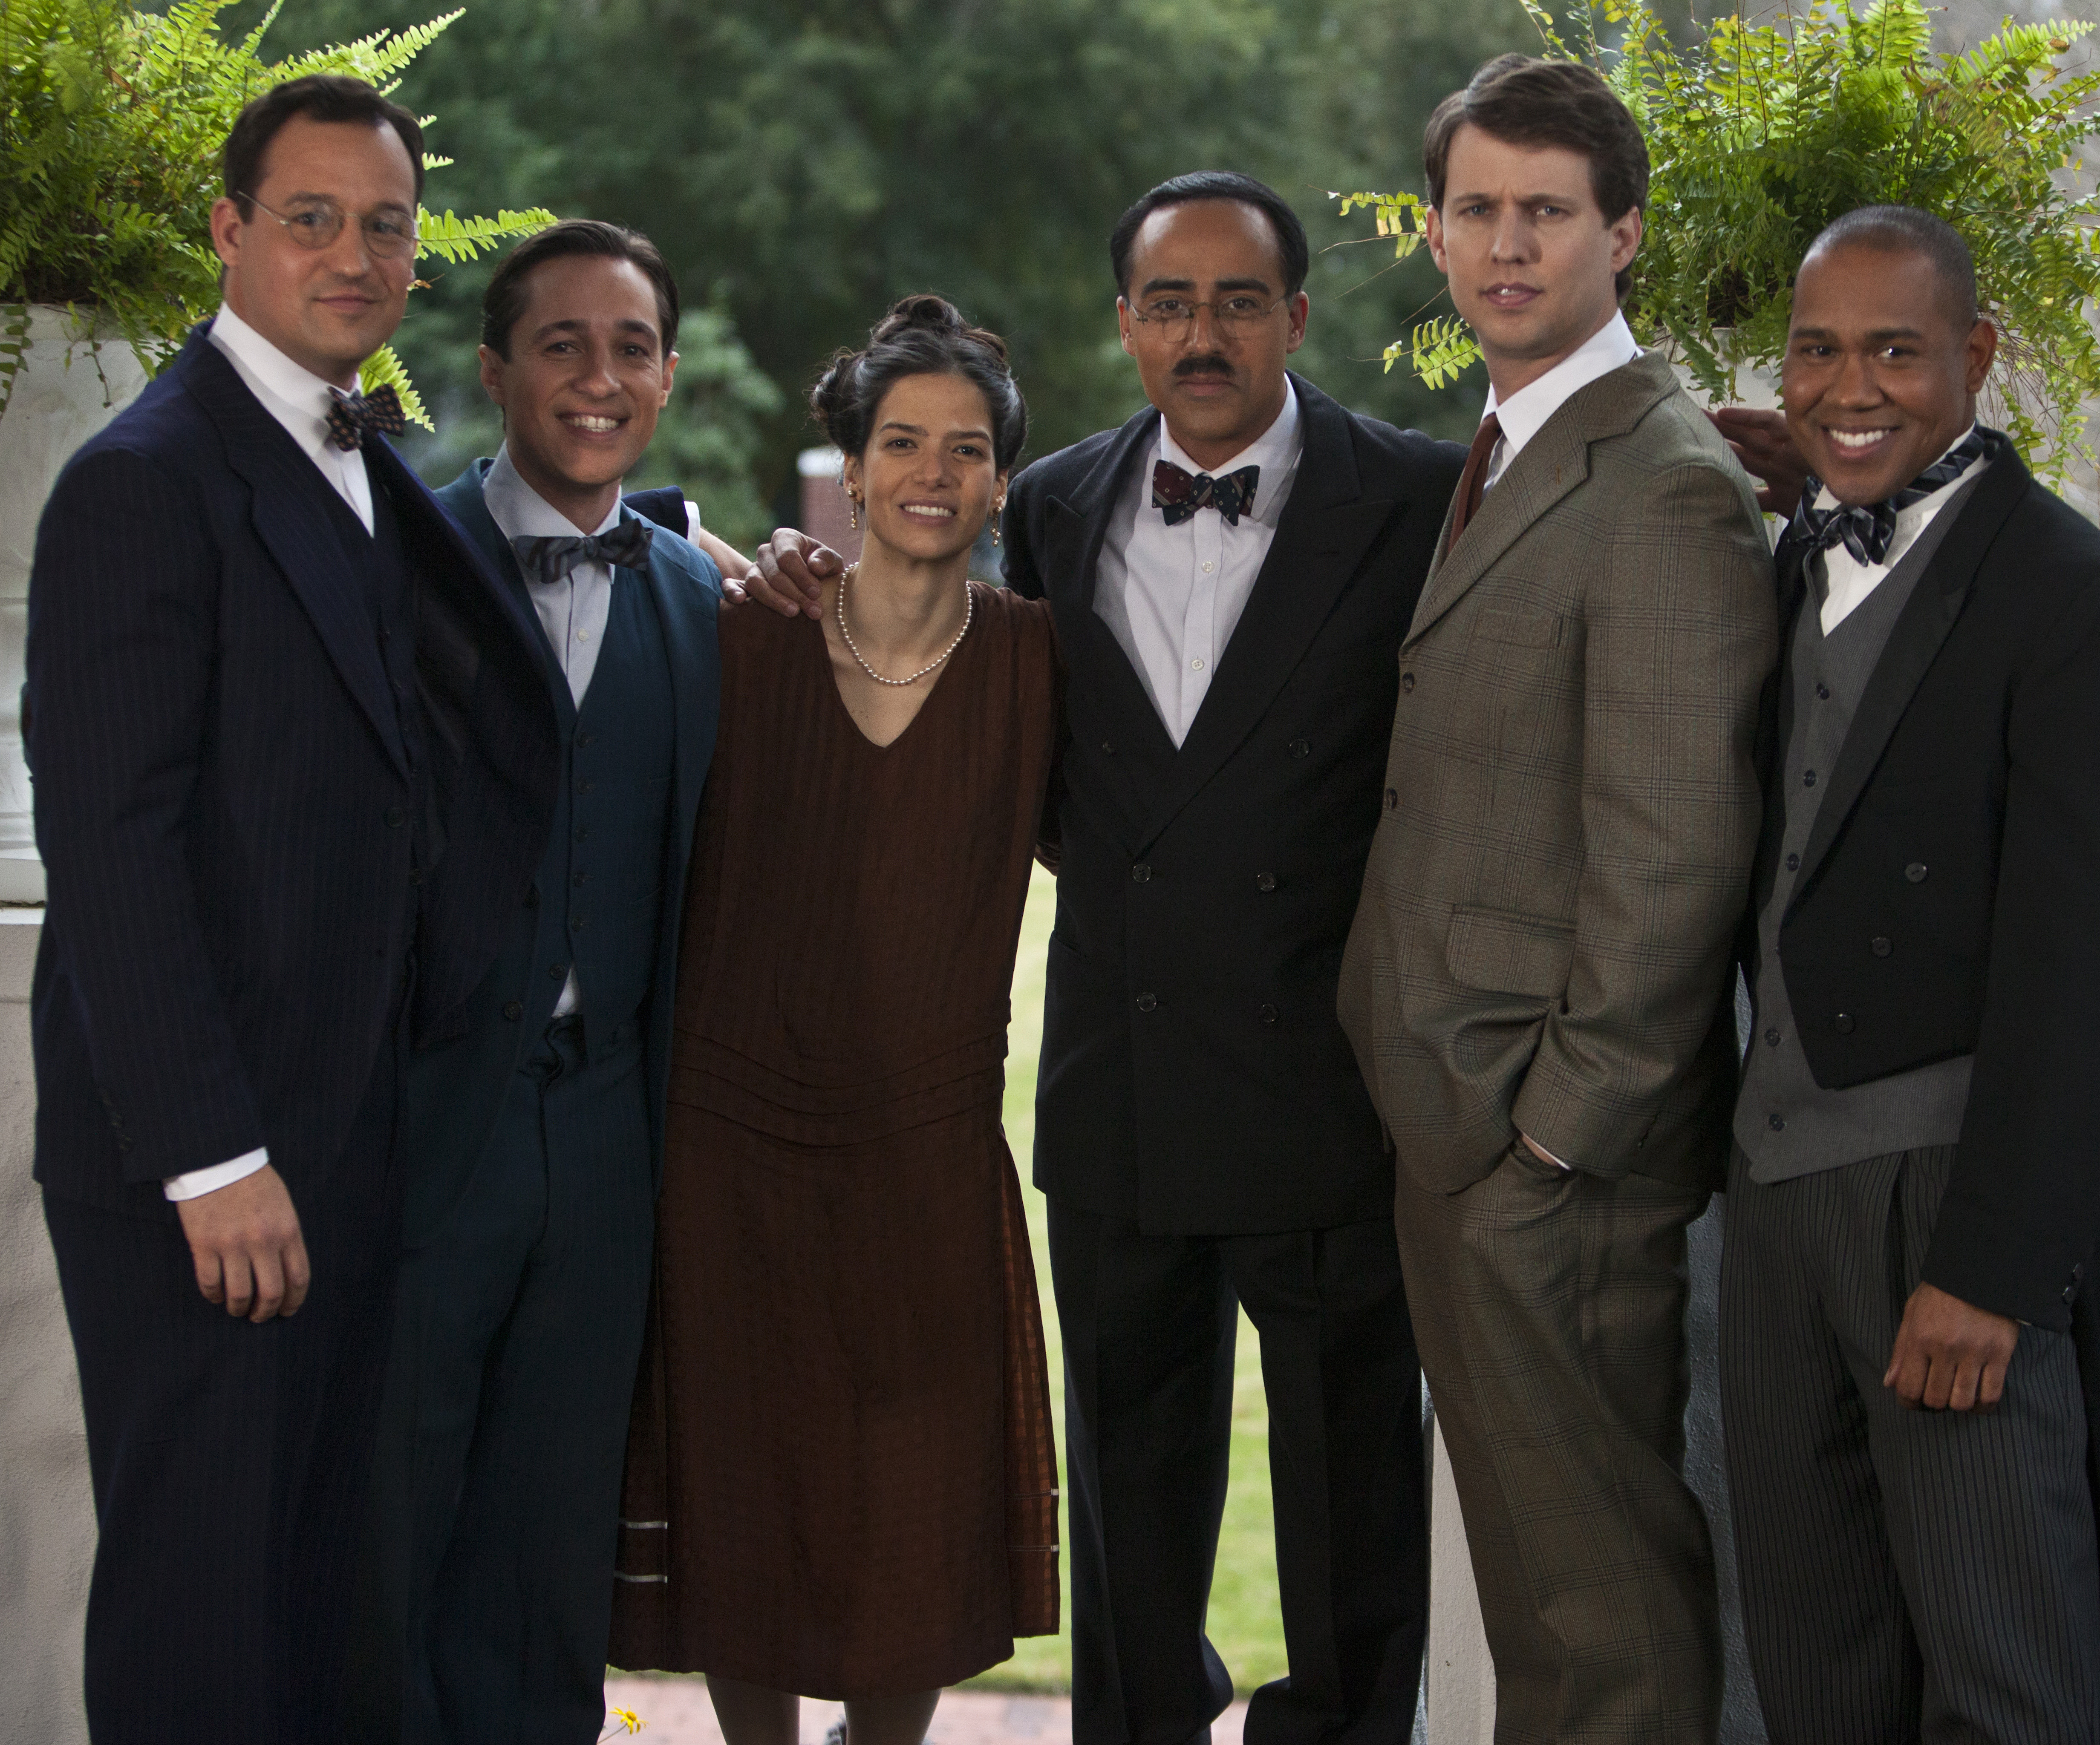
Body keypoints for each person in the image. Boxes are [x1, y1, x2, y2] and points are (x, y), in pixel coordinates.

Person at [750, 171, 1461, 1745]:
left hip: (1334, 1076)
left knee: (1354, 1497)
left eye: (1237, 301)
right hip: (1119, 1070)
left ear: (1296, 313)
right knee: (1128, 1490)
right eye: (1168, 303)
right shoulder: (1053, 504)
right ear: (1123, 323)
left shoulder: (1416, 496)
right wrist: (786, 578)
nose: (1201, 334)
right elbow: (936, 666)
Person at [23, 74, 562, 1745]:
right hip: (213, 1164)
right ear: (229, 234)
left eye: (385, 224)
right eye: (311, 218)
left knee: (320, 1593)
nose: (354, 253)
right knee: (204, 1604)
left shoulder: (355, 457)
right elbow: (114, 844)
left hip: (347, 1128)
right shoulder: (144, 481)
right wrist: (211, 1153)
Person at [1710, 206, 2100, 1745]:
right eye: (1818, 349)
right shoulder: (1784, 568)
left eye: (1897, 350)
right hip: (1776, 1209)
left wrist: (1993, 1270)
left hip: (1955, 1220)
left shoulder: (2084, 605)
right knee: (1817, 1679)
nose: (1851, 387)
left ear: (1978, 357)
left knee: (2004, 1692)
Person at [1336, 54, 1774, 1743]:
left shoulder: (1661, 482)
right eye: (1478, 210)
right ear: (1436, 234)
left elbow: (1675, 860)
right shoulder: (1521, 442)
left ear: (1624, 234)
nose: (1507, 244)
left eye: (1546, 212)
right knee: (1542, 1600)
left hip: (1554, 1158)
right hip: (1467, 1120)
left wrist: (1556, 1144)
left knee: (1605, 1619)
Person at [608, 294, 1062, 1745]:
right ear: (851, 470)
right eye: (903, 443)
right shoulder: (737, 640)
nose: (934, 473)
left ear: (1002, 479)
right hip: (728, 1143)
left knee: (907, 1525)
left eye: (969, 449)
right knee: (746, 1495)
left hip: (925, 1150)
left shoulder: (1044, 668)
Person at [386, 218, 724, 1745]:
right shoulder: (393, 564)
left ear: (663, 374)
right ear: (495, 367)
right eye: (563, 344)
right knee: (388, 1516)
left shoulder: (701, 603)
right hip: (418, 1123)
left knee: (548, 1533)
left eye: (632, 346)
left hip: (605, 1137)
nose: (601, 377)